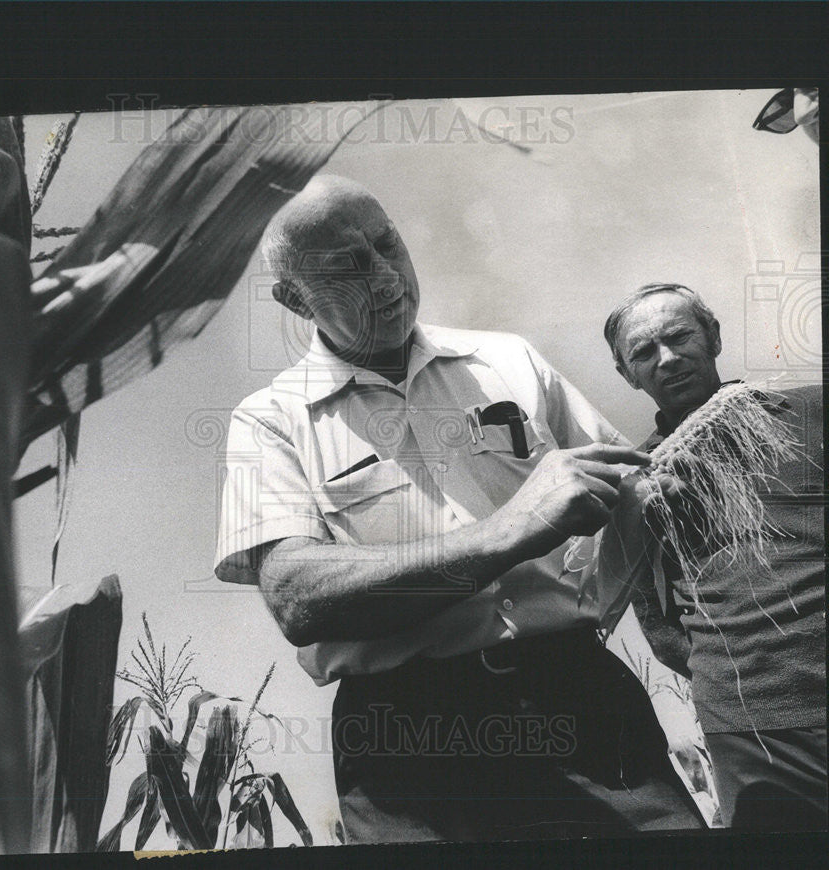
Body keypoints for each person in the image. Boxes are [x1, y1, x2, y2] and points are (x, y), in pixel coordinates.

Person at [214, 176, 704, 843]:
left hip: (580, 698)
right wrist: (509, 530)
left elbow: (640, 504)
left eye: (388, 244)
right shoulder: (270, 420)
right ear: (294, 299)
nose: (386, 276)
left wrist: (673, 634)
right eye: (349, 267)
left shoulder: (509, 359)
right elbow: (299, 599)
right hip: (406, 742)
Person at [603, 283, 827, 830]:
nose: (668, 359)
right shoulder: (637, 482)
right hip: (751, 725)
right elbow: (654, 619)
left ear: (715, 337)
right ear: (630, 376)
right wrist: (723, 670)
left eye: (679, 337)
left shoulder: (811, 409)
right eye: (644, 353)